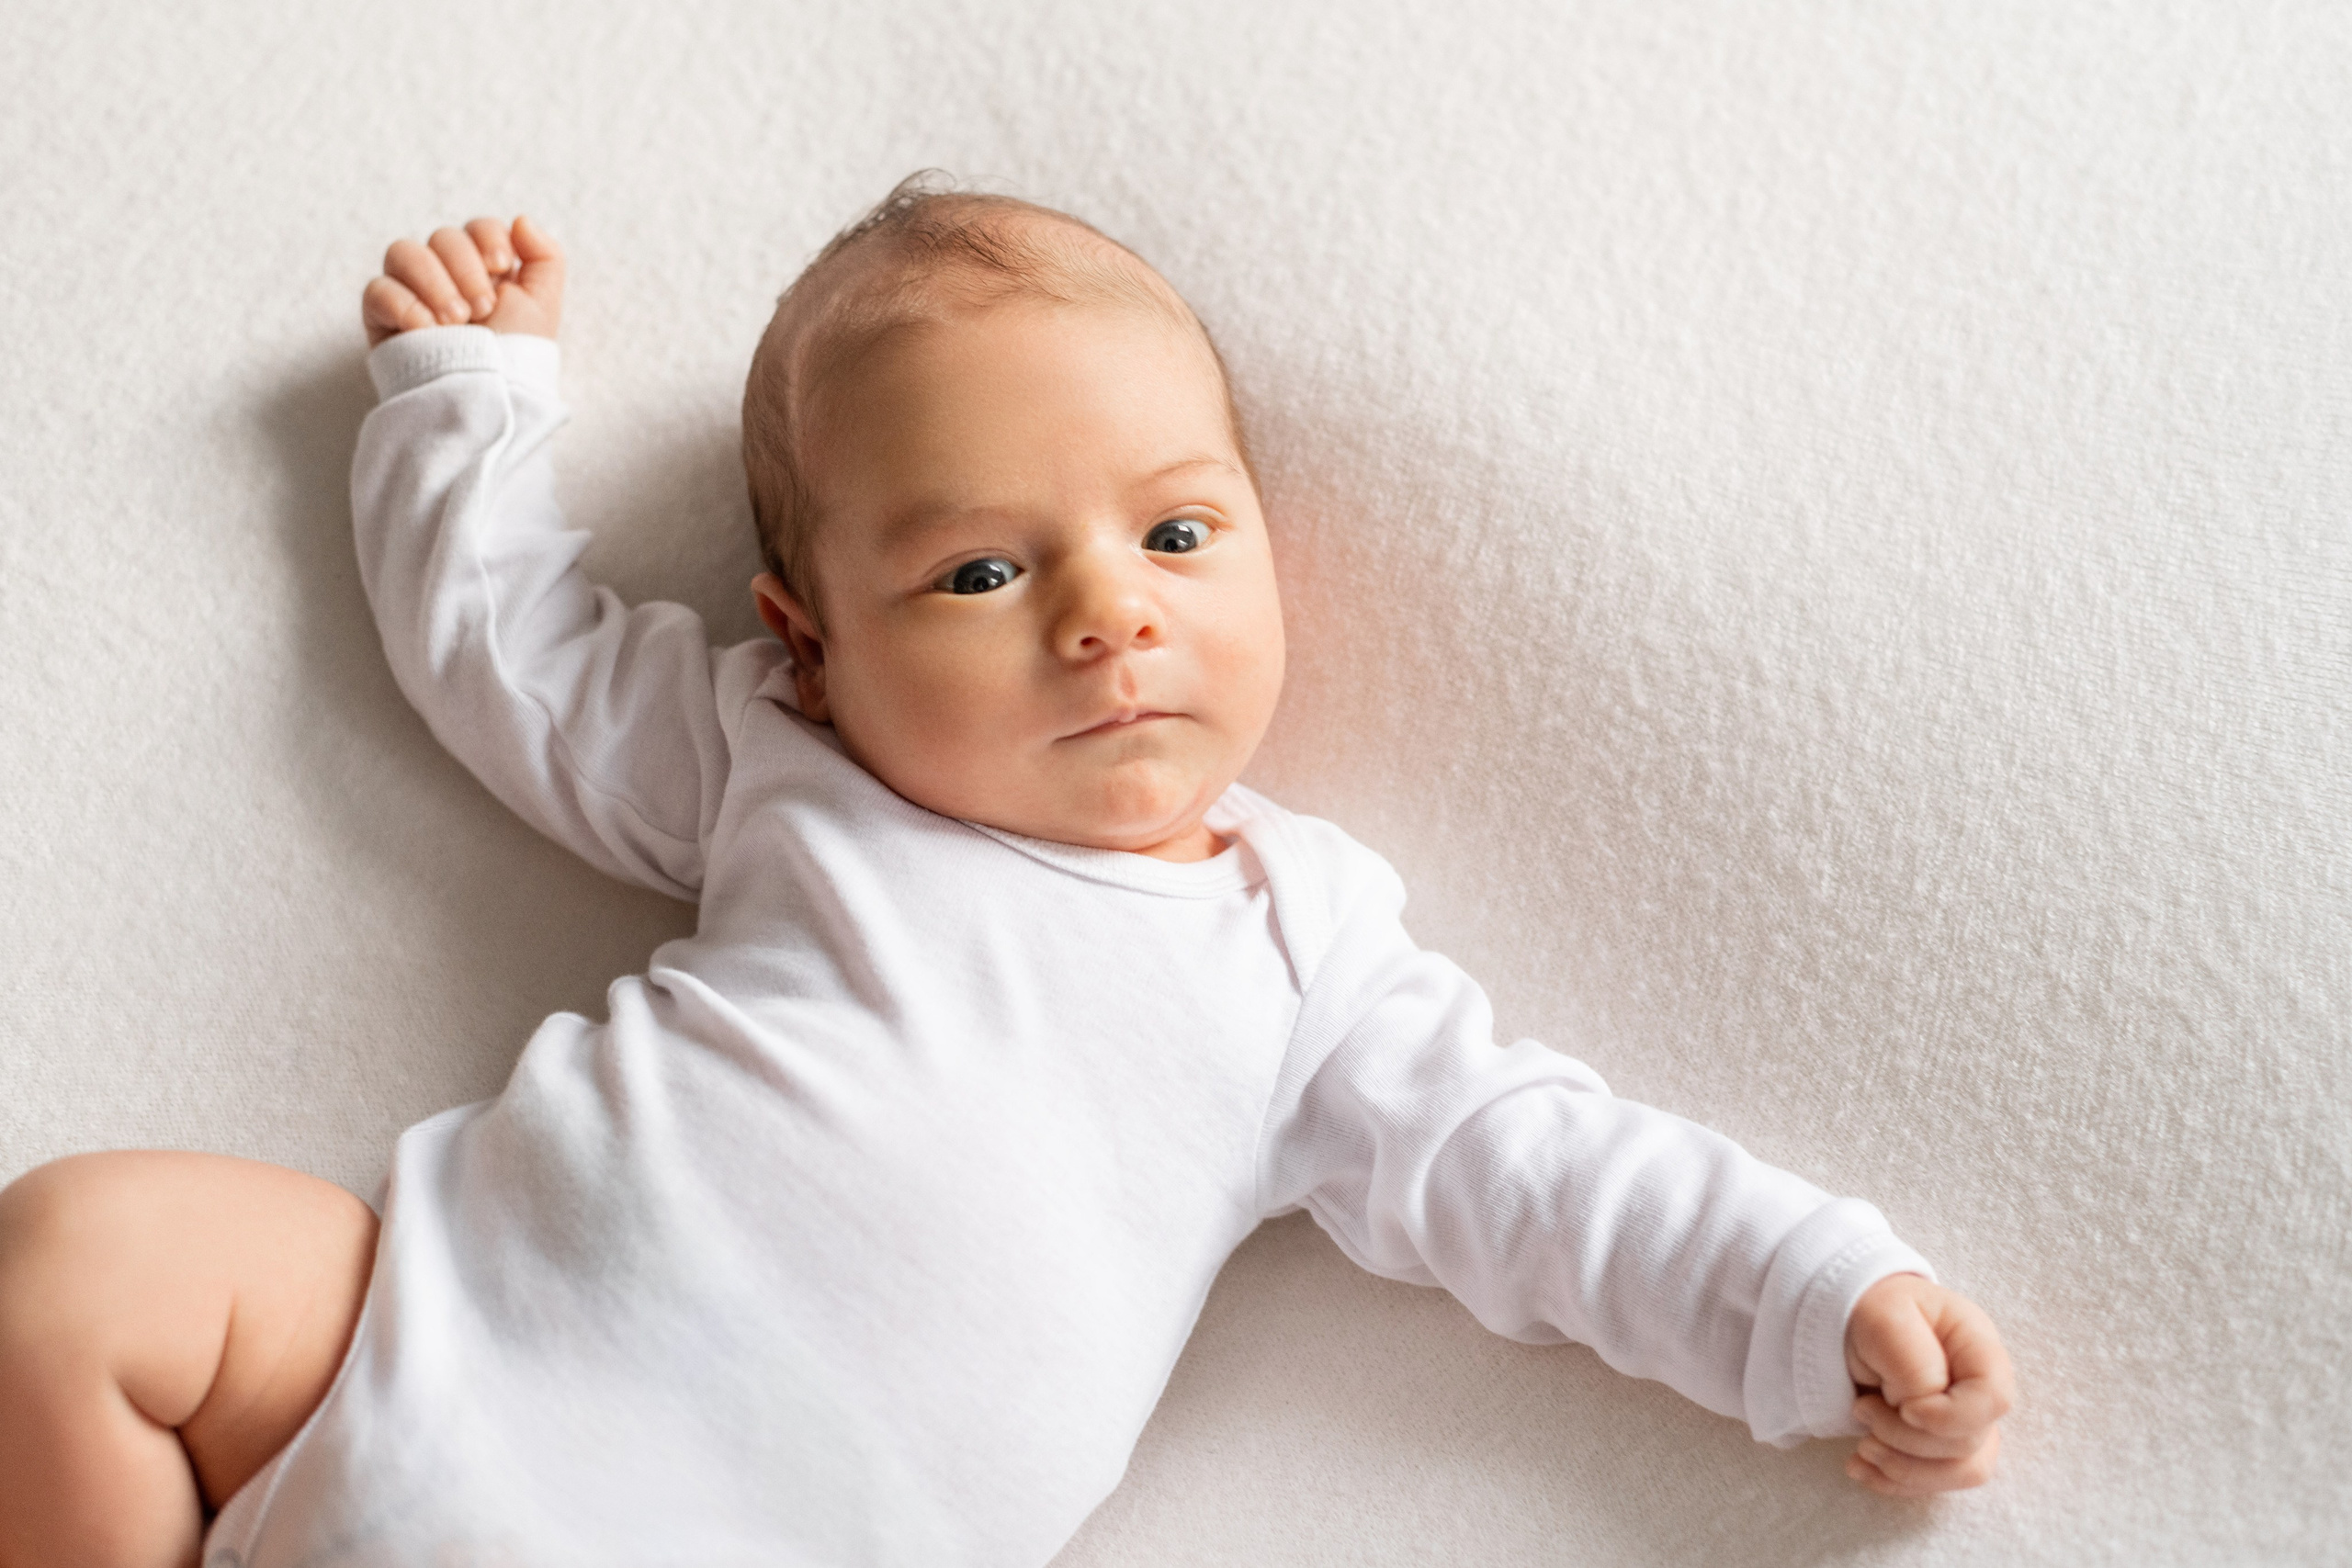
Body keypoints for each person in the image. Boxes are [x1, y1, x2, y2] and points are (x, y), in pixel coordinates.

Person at [0, 179, 2014, 1568]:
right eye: (978, 568)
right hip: (407, 1353)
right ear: (810, 637)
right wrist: (463, 407)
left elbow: (1553, 1174)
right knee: (82, 1254)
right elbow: (509, 663)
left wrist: (1807, 1290)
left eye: (1176, 534)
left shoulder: (1296, 954)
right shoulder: (777, 758)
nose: (1098, 615)